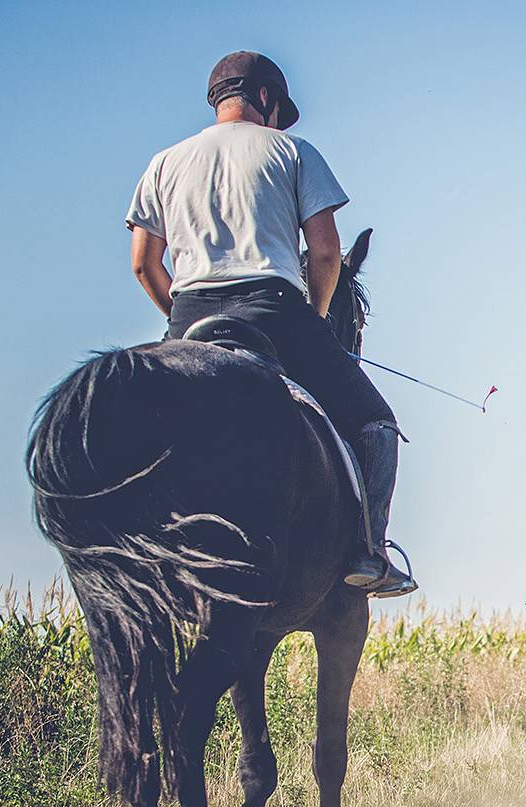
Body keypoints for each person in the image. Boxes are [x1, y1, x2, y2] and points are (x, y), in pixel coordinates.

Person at [125, 51, 414, 597]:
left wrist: (184, 323)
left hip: (190, 314)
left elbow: (144, 263)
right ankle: (369, 552)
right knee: (377, 421)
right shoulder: (293, 151)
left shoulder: (163, 162)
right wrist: (317, 321)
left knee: (139, 423)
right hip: (275, 309)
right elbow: (326, 253)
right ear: (265, 98)